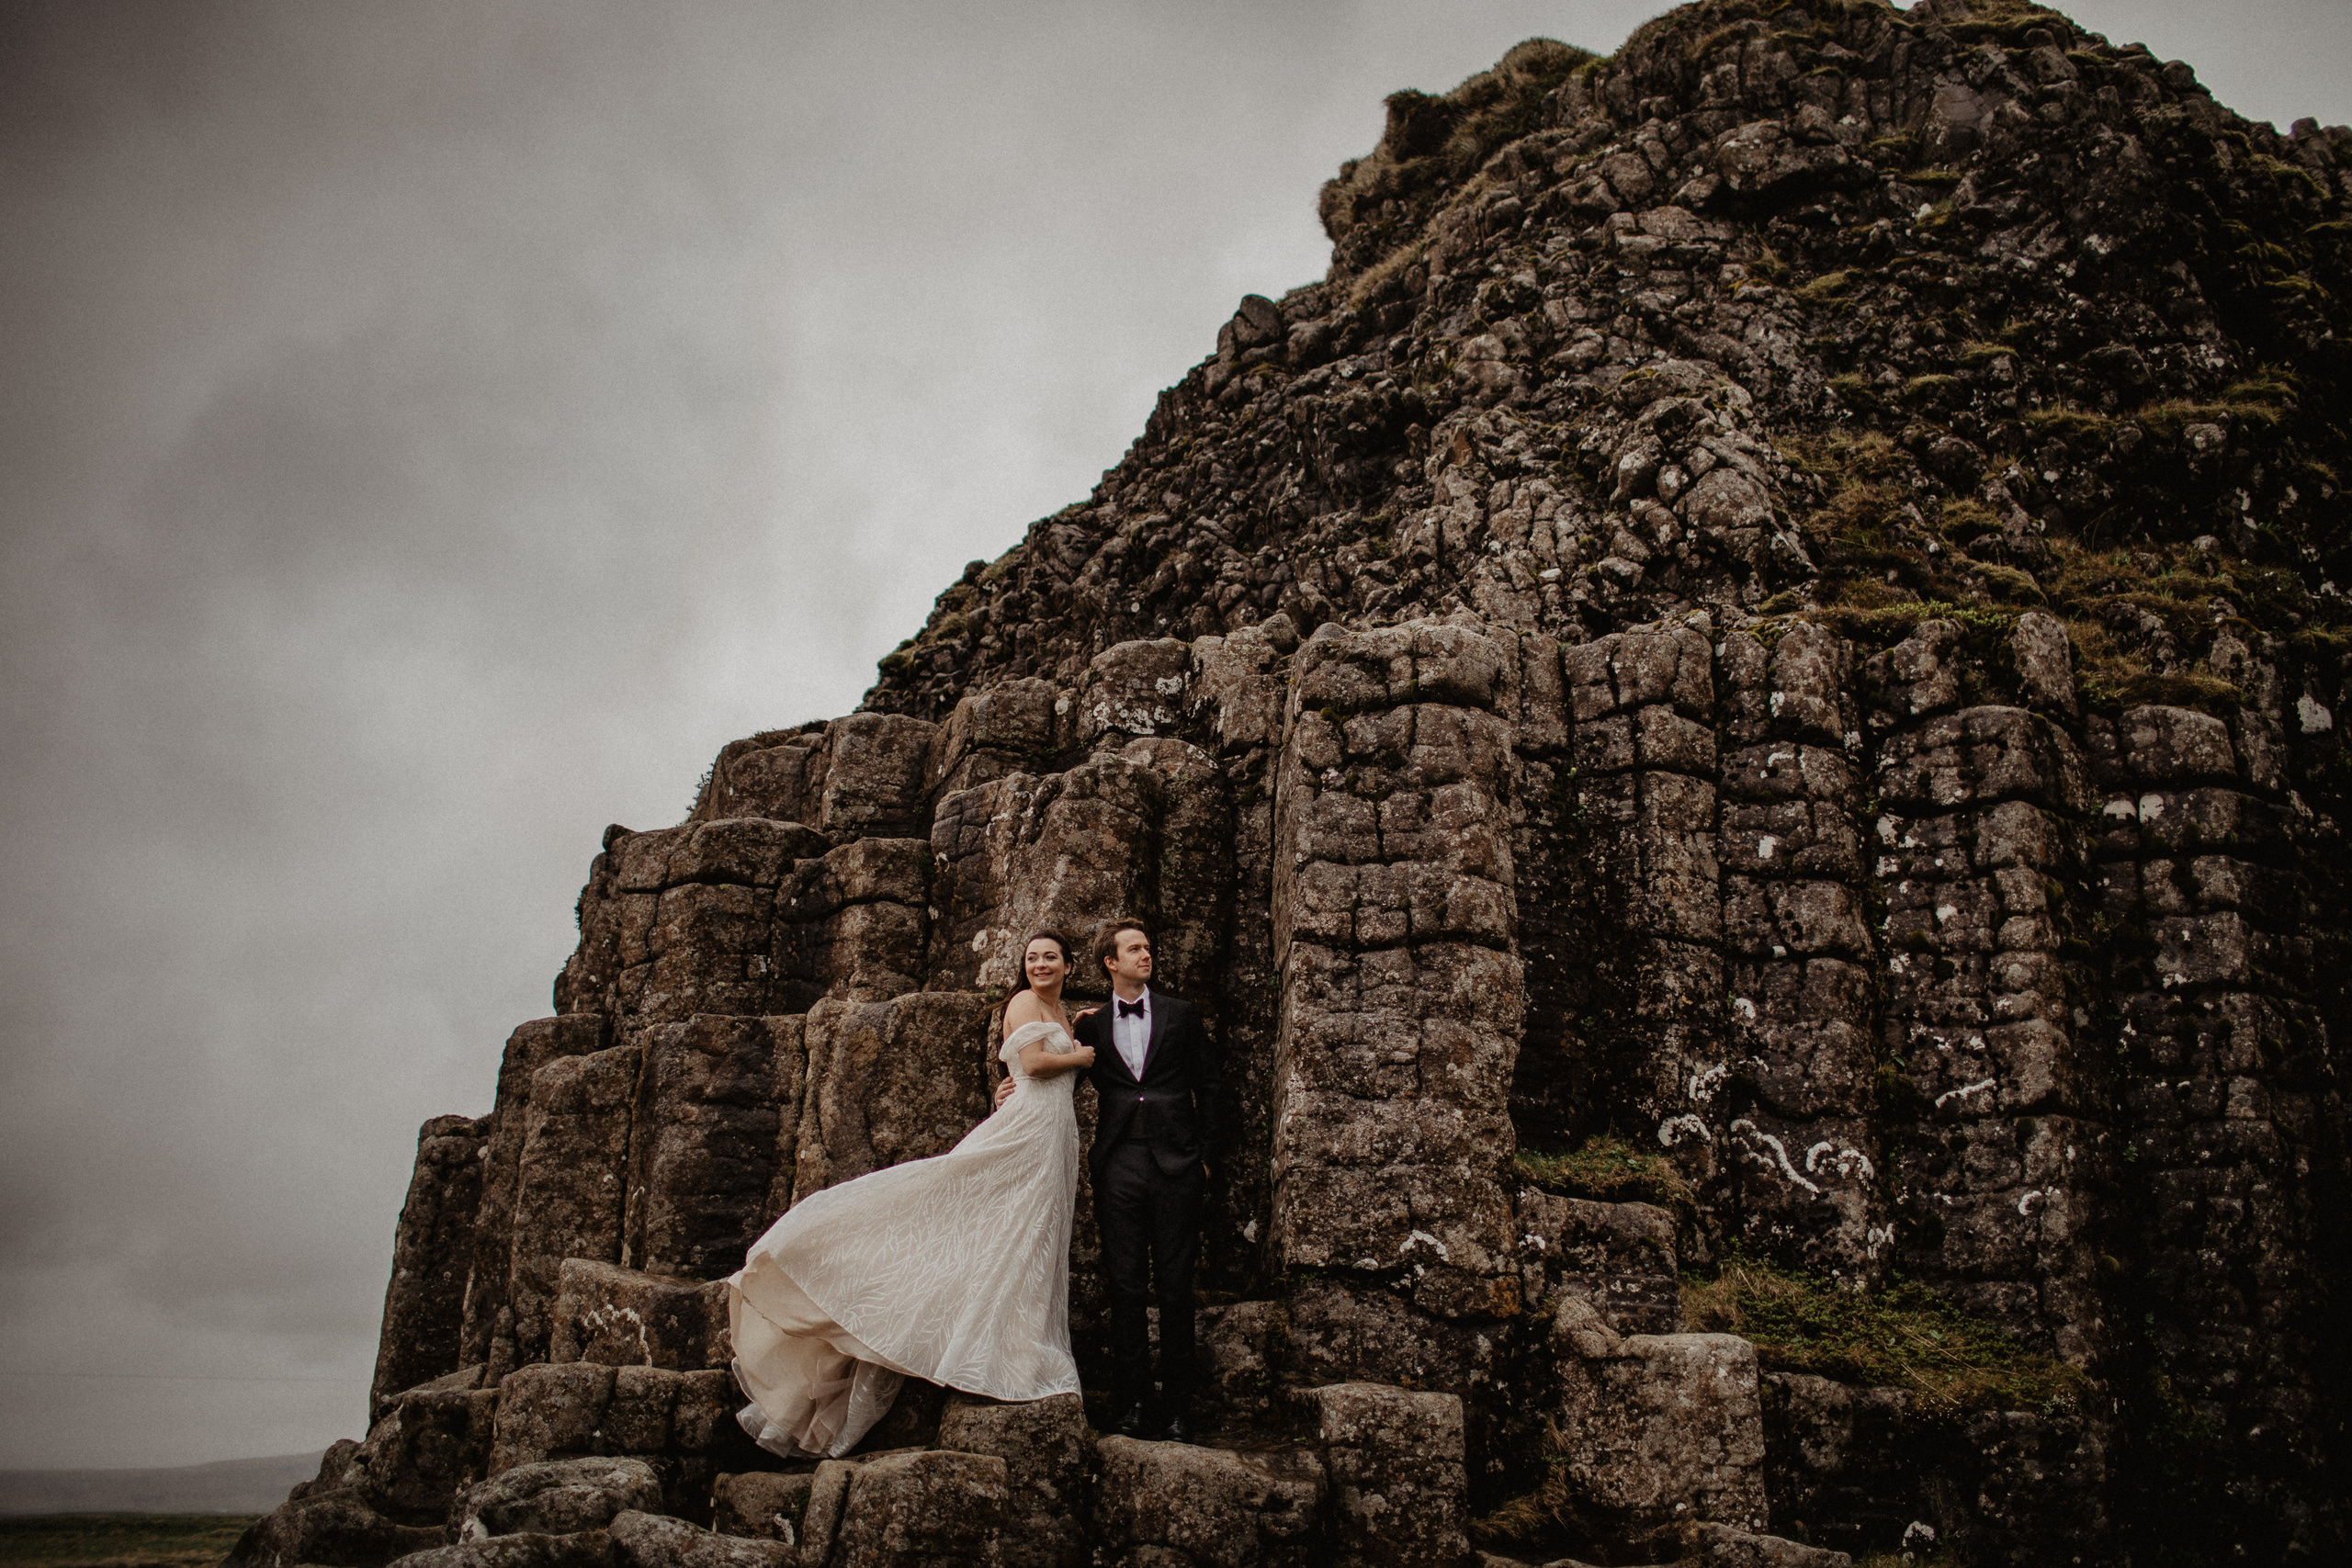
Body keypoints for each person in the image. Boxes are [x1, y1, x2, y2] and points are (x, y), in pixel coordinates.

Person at [724, 931, 1095, 1458]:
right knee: (965, 1217)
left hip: (1050, 1137)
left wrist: (1062, 1048)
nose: (1040, 964)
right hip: (1027, 1132)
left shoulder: (1066, 1014)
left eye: (1050, 957)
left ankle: (1013, 1347)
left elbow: (1025, 1066)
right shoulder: (1024, 1001)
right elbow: (1032, 1065)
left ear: (1068, 964)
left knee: (1027, 1237)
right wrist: (1081, 1057)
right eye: (1032, 957)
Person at [1002, 917, 1223, 1441]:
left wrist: (1208, 1159)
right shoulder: (1091, 1028)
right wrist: (1002, 1091)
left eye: (1148, 948)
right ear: (1110, 963)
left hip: (1178, 1165)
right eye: (1135, 949)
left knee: (1175, 1289)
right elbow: (1040, 1065)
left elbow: (1212, 1085)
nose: (1147, 955)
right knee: (1123, 1288)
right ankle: (1131, 1406)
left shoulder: (1182, 1015)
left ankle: (1177, 1410)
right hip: (1118, 1164)